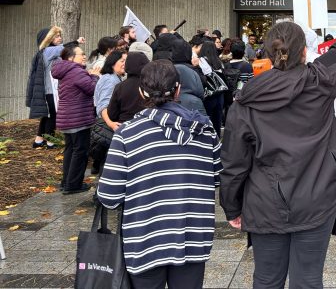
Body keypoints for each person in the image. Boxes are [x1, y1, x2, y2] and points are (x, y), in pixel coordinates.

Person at [220, 0, 336, 289]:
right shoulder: (319, 81)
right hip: (316, 198)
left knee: (267, 279)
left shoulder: (245, 101)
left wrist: (232, 206)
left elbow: (233, 163)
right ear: (304, 52)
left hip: (265, 202)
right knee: (308, 279)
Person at [98, 60, 221, 289]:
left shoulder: (127, 134)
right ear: (177, 90)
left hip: (144, 239)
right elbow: (216, 178)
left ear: (142, 91)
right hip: (193, 235)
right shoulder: (205, 131)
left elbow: (108, 196)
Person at [51, 45, 99, 194]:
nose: (84, 57)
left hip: (67, 117)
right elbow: (92, 89)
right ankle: (73, 185)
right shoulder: (76, 71)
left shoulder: (65, 70)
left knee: (70, 150)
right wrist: (95, 75)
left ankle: (67, 182)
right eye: (81, 54)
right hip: (78, 118)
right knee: (80, 151)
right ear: (71, 58)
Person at [107, 51, 149, 124]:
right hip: (147, 125)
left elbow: (112, 115)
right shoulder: (151, 85)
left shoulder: (120, 86)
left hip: (124, 126)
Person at [171, 38, 206, 114]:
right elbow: (201, 88)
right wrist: (197, 67)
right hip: (193, 106)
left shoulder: (167, 68)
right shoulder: (193, 69)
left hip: (171, 105)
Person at [199, 40, 226, 136]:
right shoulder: (219, 61)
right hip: (220, 93)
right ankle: (217, 137)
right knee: (217, 118)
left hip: (210, 93)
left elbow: (205, 75)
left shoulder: (202, 60)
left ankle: (209, 138)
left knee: (208, 116)